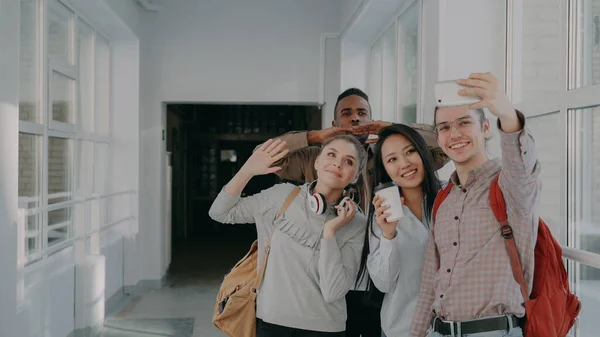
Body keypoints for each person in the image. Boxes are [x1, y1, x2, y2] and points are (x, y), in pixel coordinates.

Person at [255, 88, 449, 337]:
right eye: (347, 114)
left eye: (362, 113)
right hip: (329, 273)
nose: (355, 118)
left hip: (378, 276)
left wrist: (390, 130)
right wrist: (316, 136)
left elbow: (443, 145)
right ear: (335, 123)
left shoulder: (387, 157)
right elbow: (264, 156)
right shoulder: (317, 158)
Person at [409, 72, 541, 337]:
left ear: (485, 128)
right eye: (444, 127)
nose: (454, 134)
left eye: (464, 123)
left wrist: (506, 112)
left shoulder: (510, 186)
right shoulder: (444, 199)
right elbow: (428, 284)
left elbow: (520, 159)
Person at [209, 135, 368, 337]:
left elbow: (333, 292)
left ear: (355, 176)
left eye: (349, 161)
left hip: (325, 329)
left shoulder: (357, 223)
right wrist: (247, 170)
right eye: (331, 154)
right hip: (271, 323)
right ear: (317, 162)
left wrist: (330, 233)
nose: (338, 163)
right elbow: (220, 213)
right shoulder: (281, 196)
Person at [354, 124, 441, 337]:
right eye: (392, 159)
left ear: (423, 152)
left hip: (451, 328)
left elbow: (443, 139)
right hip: (402, 329)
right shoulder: (383, 215)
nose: (405, 163)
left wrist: (388, 126)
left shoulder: (451, 198)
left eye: (410, 151)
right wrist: (388, 235)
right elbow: (383, 284)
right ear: (385, 169)